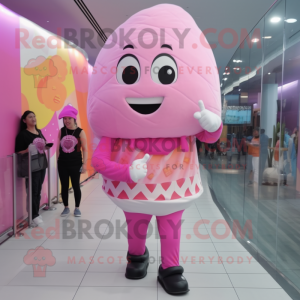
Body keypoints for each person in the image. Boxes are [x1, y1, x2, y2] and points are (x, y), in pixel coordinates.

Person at [15, 111, 50, 225]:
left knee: (38, 189)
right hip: (31, 166)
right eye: (30, 117)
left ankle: (36, 213)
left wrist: (45, 146)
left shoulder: (39, 132)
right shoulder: (23, 135)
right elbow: (18, 152)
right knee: (32, 190)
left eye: (34, 116)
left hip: (42, 164)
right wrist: (28, 149)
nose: (33, 118)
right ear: (25, 121)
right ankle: (33, 215)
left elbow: (42, 144)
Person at [57, 104, 88, 217]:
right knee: (64, 185)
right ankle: (66, 207)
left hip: (76, 164)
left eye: (69, 118)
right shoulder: (61, 131)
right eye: (65, 118)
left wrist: (84, 164)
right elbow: (57, 148)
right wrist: (57, 162)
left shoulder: (80, 132)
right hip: (63, 164)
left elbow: (85, 149)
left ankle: (77, 208)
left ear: (74, 119)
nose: (66, 121)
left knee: (75, 185)